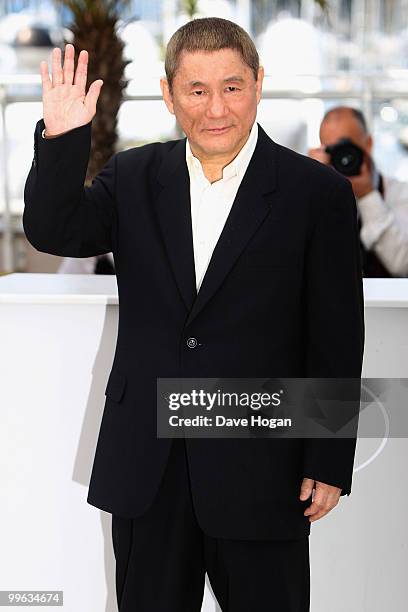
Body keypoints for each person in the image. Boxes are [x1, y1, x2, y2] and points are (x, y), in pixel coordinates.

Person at [23, 17, 364, 612]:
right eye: (197, 90)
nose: (215, 109)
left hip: (263, 468)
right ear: (169, 94)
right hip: (148, 469)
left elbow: (335, 336)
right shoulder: (133, 176)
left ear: (258, 84)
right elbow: (54, 230)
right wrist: (62, 138)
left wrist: (328, 458)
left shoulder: (317, 194)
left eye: (231, 87)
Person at [309, 105, 408, 277]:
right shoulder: (317, 194)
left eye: (346, 147)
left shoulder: (400, 193)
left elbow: (402, 265)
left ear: (368, 144)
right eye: (332, 151)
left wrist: (367, 196)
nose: (343, 159)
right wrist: (309, 182)